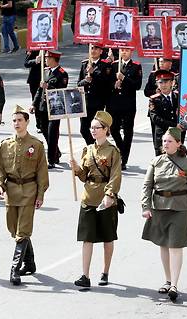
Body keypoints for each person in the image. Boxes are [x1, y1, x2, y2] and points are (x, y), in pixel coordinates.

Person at [142, 127, 187, 302]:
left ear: (178, 143)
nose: (166, 144)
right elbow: (147, 186)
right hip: (160, 208)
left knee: (175, 246)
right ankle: (168, 280)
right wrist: (145, 207)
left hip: (181, 209)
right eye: (164, 141)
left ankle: (175, 285)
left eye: (169, 141)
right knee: (163, 245)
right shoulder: (156, 162)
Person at [0, 105, 49, 286]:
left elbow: (42, 172)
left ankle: (14, 269)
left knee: (22, 230)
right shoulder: (5, 145)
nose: (16, 123)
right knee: (14, 230)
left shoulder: (36, 145)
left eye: (20, 120)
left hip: (29, 190)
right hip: (11, 191)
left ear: (27, 122)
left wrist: (40, 194)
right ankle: (30, 262)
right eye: (14, 120)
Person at [71, 111, 122, 289]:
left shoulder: (113, 151)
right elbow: (85, 177)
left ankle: (105, 271)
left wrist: (109, 195)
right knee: (87, 238)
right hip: (88, 198)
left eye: (97, 128)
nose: (93, 130)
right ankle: (85, 275)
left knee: (108, 238)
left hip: (105, 200)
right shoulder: (88, 150)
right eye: (91, 127)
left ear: (106, 129)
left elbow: (115, 176)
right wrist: (77, 169)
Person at [31, 51, 68, 168]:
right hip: (43, 106)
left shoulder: (62, 73)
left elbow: (62, 89)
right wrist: (34, 104)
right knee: (44, 129)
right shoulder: (45, 71)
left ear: (53, 59)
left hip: (55, 107)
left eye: (47, 58)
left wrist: (49, 86)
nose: (45, 60)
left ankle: (51, 159)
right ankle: (56, 151)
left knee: (52, 133)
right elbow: (39, 90)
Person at [109, 48, 143, 171]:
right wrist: (114, 84)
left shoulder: (136, 66)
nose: (124, 52)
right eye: (122, 50)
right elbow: (107, 84)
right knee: (113, 129)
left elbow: (137, 85)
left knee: (128, 132)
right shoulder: (113, 65)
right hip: (115, 104)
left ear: (131, 52)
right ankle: (122, 149)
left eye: (127, 50)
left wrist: (124, 79)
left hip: (128, 104)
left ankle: (124, 159)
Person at [78, 44, 114, 145]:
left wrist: (94, 73)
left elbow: (107, 82)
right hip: (86, 102)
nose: (93, 51)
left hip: (98, 102)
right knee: (84, 130)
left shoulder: (105, 65)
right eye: (92, 48)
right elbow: (79, 83)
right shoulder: (85, 64)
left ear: (101, 51)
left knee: (96, 129)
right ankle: (92, 147)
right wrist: (86, 80)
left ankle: (95, 149)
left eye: (96, 49)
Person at [149, 70, 179, 156]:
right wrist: (173, 125)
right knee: (161, 162)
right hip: (162, 134)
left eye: (166, 82)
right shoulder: (154, 99)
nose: (163, 85)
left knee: (176, 161)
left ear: (172, 83)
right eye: (160, 82)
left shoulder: (178, 97)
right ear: (157, 84)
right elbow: (155, 118)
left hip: (176, 134)